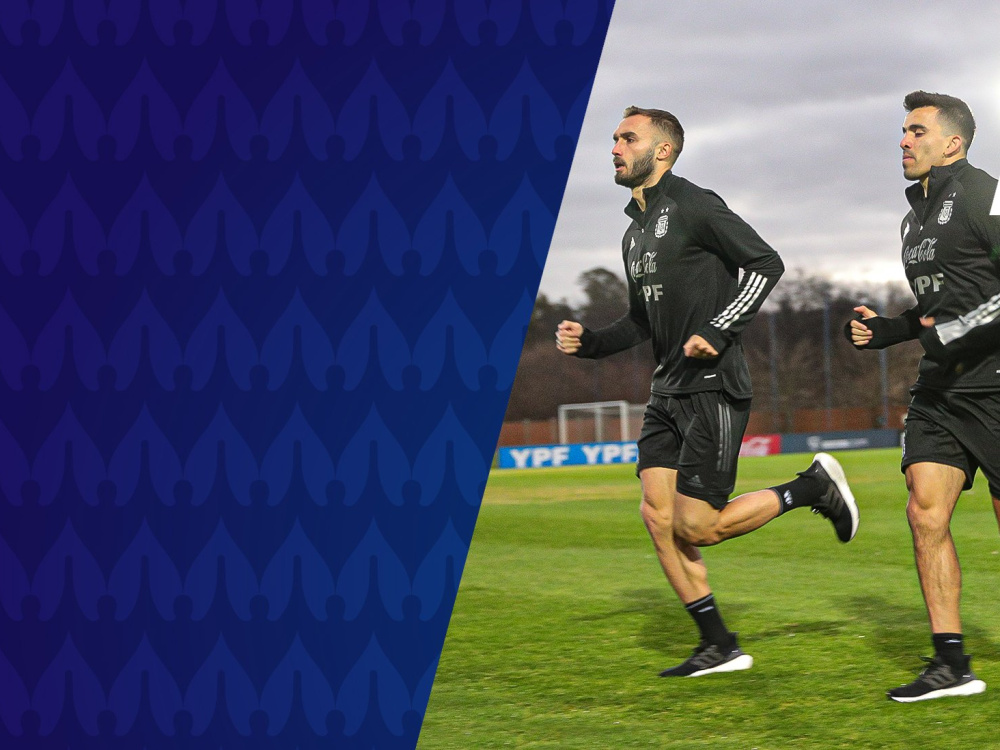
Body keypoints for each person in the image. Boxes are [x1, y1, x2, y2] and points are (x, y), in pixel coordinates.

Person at [556, 105, 859, 678]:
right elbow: (641, 321)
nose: (615, 148)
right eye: (614, 139)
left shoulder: (695, 204)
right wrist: (590, 343)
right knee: (657, 517)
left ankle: (810, 488)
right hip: (666, 393)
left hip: (714, 389)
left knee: (698, 526)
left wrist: (719, 330)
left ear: (662, 150)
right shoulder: (633, 233)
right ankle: (718, 645)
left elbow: (765, 263)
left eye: (627, 138)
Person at [847, 91, 1000, 702]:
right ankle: (950, 664)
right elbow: (937, 309)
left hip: (996, 385)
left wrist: (951, 332)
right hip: (940, 390)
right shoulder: (912, 219)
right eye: (904, 131)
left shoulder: (988, 194)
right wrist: (891, 330)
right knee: (924, 512)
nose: (903, 141)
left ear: (953, 143)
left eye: (917, 131)